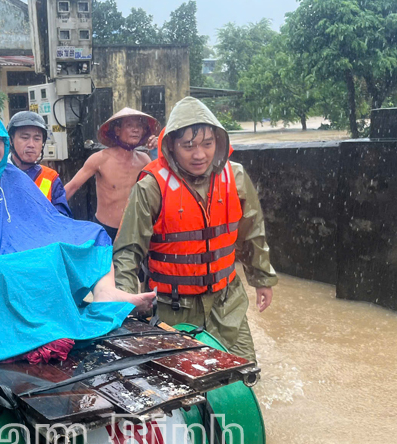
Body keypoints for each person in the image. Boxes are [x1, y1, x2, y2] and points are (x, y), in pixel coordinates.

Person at [0, 99, 154, 396]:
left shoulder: (14, 178)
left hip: (19, 249)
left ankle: (106, 294)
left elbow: (47, 220)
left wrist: (55, 241)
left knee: (90, 235)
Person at [114, 97, 277, 362]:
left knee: (245, 375)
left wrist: (262, 280)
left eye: (207, 144)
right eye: (188, 146)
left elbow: (252, 233)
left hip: (227, 301)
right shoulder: (150, 187)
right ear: (172, 146)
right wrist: (125, 299)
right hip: (173, 308)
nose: (199, 154)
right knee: (184, 391)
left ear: (218, 142)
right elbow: (128, 251)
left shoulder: (235, 177)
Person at [64, 108, 158, 240]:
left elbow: (161, 188)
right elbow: (72, 186)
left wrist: (157, 153)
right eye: (130, 125)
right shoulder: (100, 159)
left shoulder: (144, 160)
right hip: (105, 230)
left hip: (134, 230)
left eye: (139, 126)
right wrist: (49, 211)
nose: (136, 129)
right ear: (117, 131)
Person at [6, 111, 71, 216]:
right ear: (11, 140)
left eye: (37, 139)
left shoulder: (50, 178)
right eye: (25, 137)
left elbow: (62, 221)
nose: (31, 144)